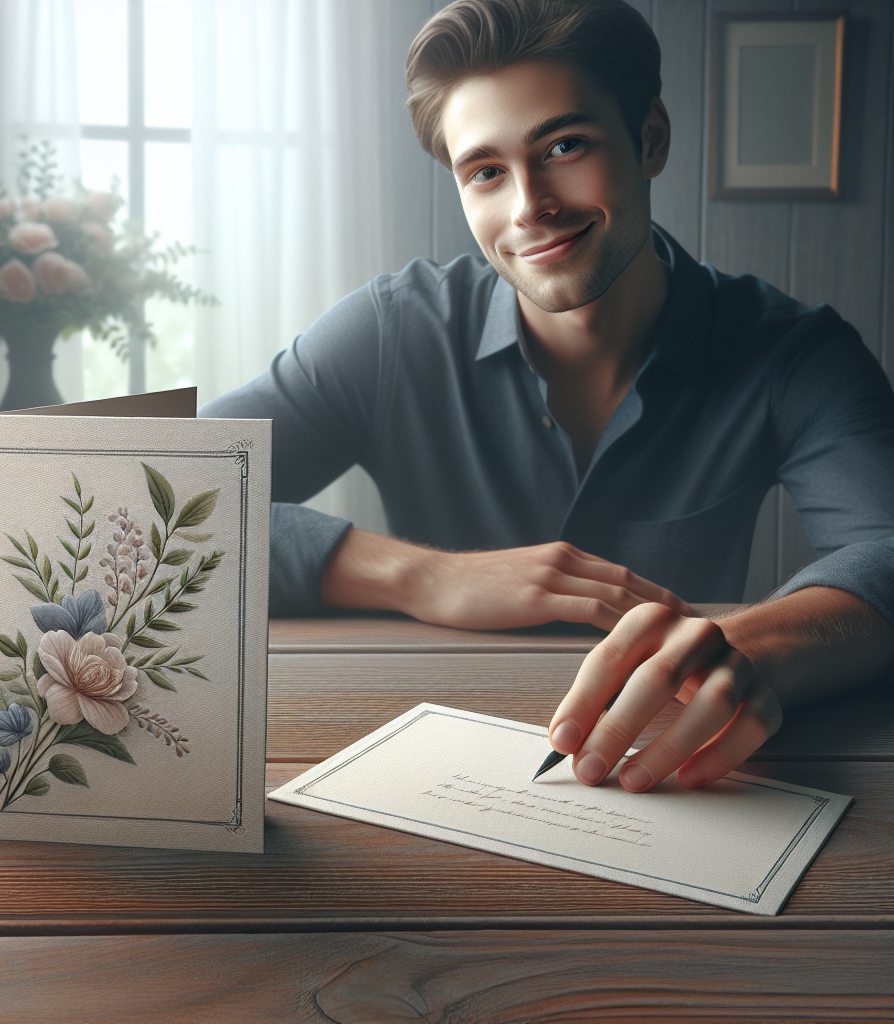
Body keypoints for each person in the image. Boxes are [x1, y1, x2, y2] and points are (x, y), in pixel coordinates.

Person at [202, 0, 894, 794]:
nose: (529, 205)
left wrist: (749, 649)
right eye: (486, 171)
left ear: (651, 139)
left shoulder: (792, 351)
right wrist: (420, 576)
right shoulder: (392, 332)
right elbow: (160, 492)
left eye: (564, 146)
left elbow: (887, 548)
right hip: (426, 774)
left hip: (680, 775)